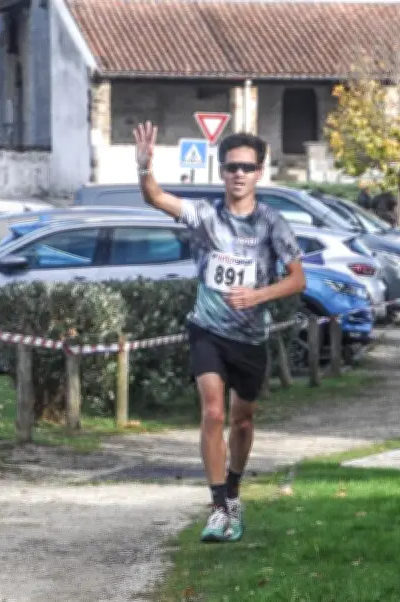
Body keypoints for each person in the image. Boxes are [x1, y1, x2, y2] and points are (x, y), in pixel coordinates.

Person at [133, 121, 306, 543]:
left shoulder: (272, 223)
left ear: (259, 172)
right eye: (231, 167)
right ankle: (217, 507)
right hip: (207, 329)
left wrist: (258, 295)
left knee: (242, 419)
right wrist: (144, 167)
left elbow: (298, 279)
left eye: (247, 167)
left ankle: (233, 490)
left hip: (250, 337)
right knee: (212, 412)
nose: (238, 174)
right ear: (222, 172)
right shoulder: (206, 215)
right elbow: (156, 197)